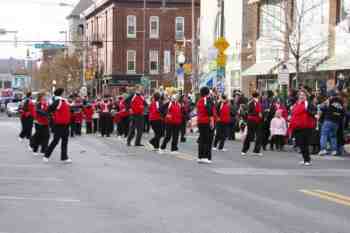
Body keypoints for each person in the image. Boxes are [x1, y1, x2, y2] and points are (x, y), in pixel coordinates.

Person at [288, 89, 317, 166]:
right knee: (300, 144)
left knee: (304, 144)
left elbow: (313, 111)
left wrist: (312, 113)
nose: (301, 96)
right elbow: (293, 113)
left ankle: (307, 160)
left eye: (303, 95)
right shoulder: (296, 104)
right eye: (300, 95)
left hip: (306, 126)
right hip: (297, 126)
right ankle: (305, 159)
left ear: (306, 96)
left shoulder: (308, 104)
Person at [44, 88, 72, 163]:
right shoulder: (58, 101)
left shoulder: (64, 101)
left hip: (66, 124)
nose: (65, 93)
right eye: (64, 92)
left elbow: (69, 108)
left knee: (65, 141)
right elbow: (49, 109)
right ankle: (46, 155)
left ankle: (64, 157)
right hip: (59, 125)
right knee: (55, 141)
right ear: (61, 93)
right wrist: (52, 118)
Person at [319, 91, 345, 156]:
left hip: (328, 119)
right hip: (336, 122)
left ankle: (323, 149)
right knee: (333, 136)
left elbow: (321, 107)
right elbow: (343, 114)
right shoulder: (341, 103)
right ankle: (334, 150)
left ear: (331, 95)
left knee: (324, 134)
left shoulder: (330, 100)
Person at [241, 92, 264, 156]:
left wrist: (261, 114)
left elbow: (260, 111)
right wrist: (258, 113)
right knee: (250, 135)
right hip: (252, 121)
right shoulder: (251, 103)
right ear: (258, 96)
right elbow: (249, 112)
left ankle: (256, 150)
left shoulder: (258, 103)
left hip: (258, 121)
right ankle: (244, 150)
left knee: (258, 136)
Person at [197, 86, 215, 164]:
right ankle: (205, 156)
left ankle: (200, 156)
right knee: (207, 139)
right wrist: (211, 121)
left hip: (200, 121)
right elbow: (209, 111)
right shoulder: (206, 100)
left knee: (202, 139)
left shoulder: (200, 100)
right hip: (206, 121)